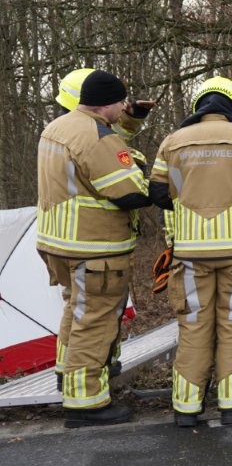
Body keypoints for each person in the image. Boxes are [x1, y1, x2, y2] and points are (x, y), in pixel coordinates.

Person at [148, 76, 232, 426]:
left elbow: (158, 194)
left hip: (191, 253)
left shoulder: (172, 141)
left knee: (193, 325)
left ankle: (187, 407)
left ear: (198, 106)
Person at [36, 70, 151, 427]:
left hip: (59, 243)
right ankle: (85, 402)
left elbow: (95, 158)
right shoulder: (98, 137)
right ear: (107, 104)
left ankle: (67, 376)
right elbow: (130, 191)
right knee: (96, 320)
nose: (123, 108)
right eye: (121, 103)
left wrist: (130, 124)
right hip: (95, 246)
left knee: (75, 310)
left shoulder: (58, 127)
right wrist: (142, 169)